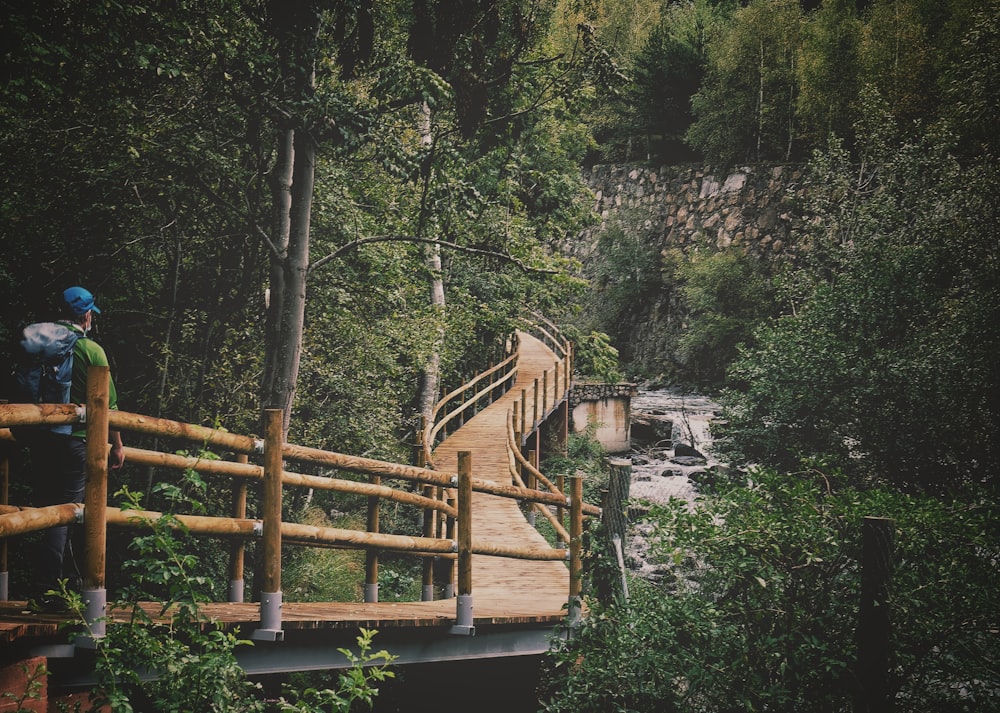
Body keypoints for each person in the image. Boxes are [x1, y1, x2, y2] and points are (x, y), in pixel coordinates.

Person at [24, 286, 125, 611]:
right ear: (85, 314)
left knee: (48, 511)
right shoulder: (91, 350)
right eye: (91, 311)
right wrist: (117, 446)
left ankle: (58, 587)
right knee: (70, 513)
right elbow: (110, 405)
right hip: (79, 442)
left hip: (42, 439)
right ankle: (57, 592)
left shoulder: (40, 345)